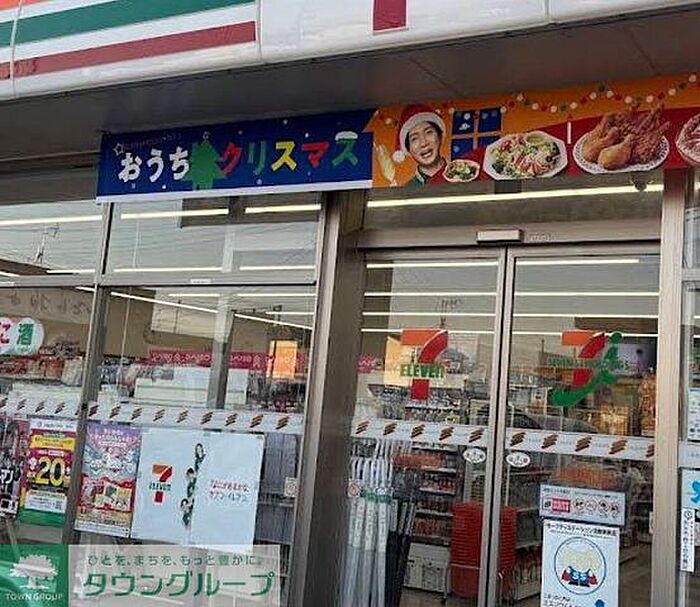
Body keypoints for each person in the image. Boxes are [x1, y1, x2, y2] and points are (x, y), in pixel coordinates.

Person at [392, 104, 448, 186]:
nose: (423, 143)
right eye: (414, 138)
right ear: (408, 149)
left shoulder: (462, 173)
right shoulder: (406, 190)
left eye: (428, 132)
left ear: (440, 136)